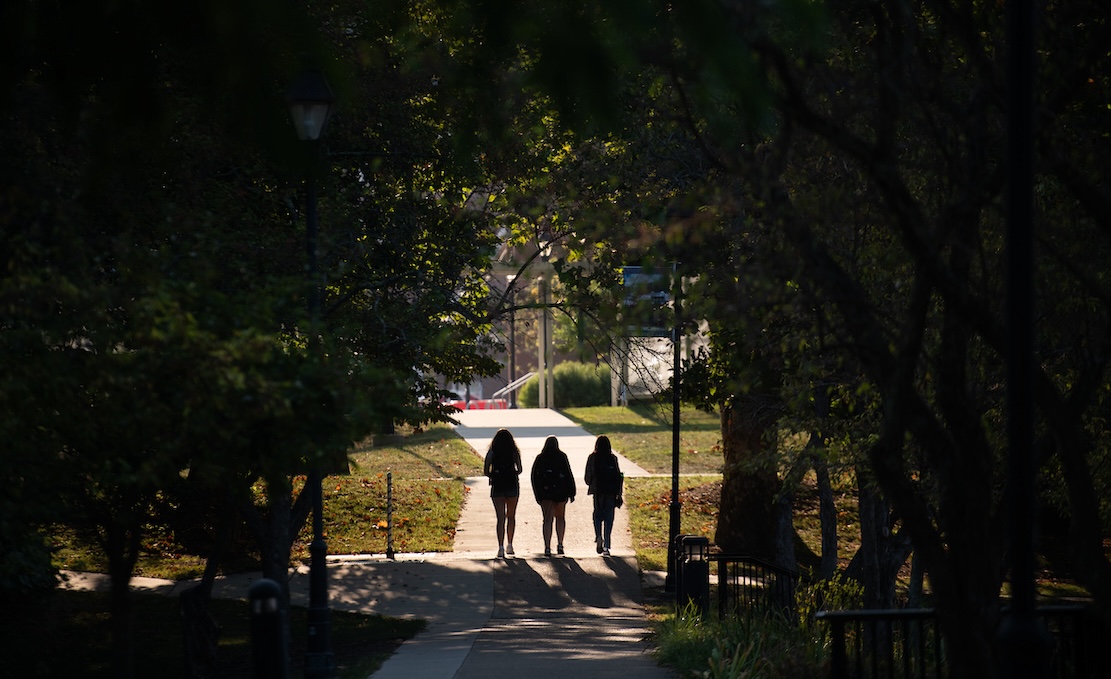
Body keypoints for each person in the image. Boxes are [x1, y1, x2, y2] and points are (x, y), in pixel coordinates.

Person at [531, 436, 576, 556]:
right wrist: (571, 492)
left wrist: (538, 494)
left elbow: (534, 477)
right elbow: (568, 474)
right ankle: (560, 544)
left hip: (545, 493)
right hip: (560, 492)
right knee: (560, 518)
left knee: (547, 520)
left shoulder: (540, 458)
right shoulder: (562, 457)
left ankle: (547, 547)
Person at [484, 428, 523, 558]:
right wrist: (512, 473)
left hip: (497, 486)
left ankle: (500, 547)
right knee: (511, 516)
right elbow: (520, 469)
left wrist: (493, 475)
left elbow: (485, 470)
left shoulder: (492, 452)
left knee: (500, 518)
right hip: (512, 485)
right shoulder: (514, 452)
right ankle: (510, 545)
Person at [584, 434, 623, 556]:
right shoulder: (613, 458)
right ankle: (607, 545)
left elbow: (587, 477)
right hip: (611, 492)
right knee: (609, 517)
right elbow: (618, 476)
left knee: (597, 514)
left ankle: (598, 536)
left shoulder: (592, 458)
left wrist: (591, 483)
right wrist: (618, 493)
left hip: (598, 491)